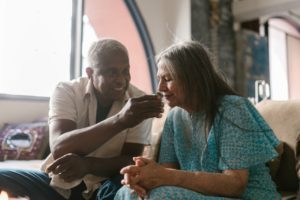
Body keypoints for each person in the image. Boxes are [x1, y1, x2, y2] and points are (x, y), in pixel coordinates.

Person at [115, 40, 281, 200]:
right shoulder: (174, 116)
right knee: (127, 193)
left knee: (160, 197)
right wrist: (143, 177)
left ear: (194, 79)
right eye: (159, 79)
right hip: (202, 195)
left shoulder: (232, 109)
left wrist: (164, 176)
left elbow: (236, 185)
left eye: (168, 79)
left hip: (249, 197)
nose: (160, 88)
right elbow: (167, 172)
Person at [0, 38, 164, 200]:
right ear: (90, 73)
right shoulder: (67, 91)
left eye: (125, 71)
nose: (121, 80)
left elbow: (130, 161)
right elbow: (60, 147)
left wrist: (88, 165)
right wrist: (120, 120)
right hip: (59, 182)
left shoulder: (139, 102)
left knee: (125, 190)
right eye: (111, 72)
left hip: (107, 185)